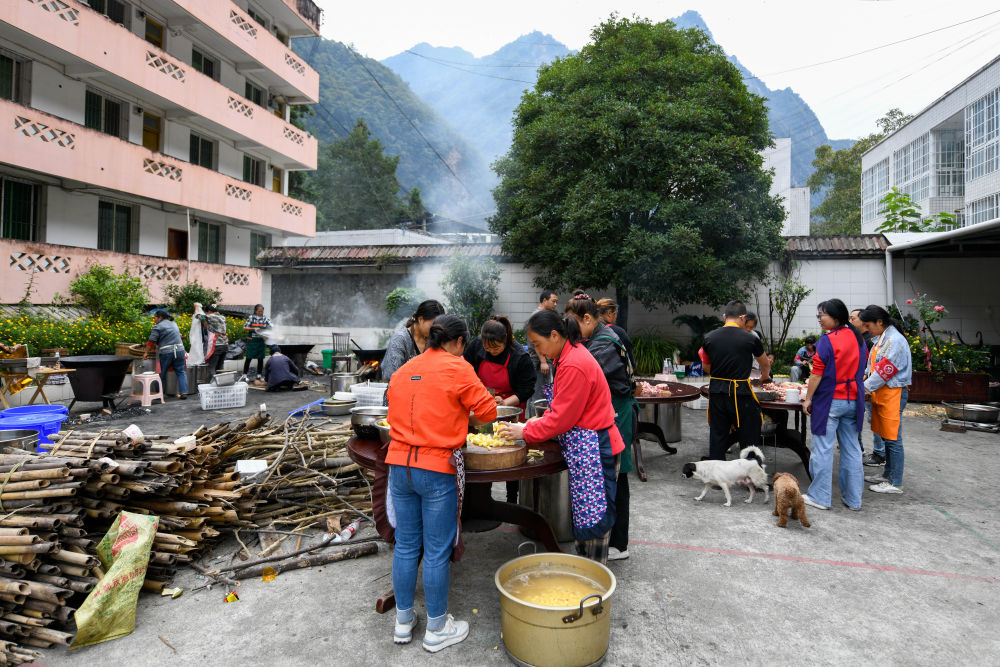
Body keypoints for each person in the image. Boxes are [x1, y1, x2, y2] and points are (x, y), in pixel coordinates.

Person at [385, 315, 497, 652]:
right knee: (435, 550)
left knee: (406, 545)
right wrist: (461, 412)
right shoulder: (459, 367)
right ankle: (436, 629)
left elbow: (392, 412)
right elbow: (489, 413)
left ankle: (403, 622)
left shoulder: (406, 369)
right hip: (436, 468)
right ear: (459, 342)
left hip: (399, 466)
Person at [498, 310, 625, 564]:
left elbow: (562, 419)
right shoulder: (566, 357)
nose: (537, 350)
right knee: (586, 517)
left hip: (596, 448)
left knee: (594, 522)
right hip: (586, 448)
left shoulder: (574, 363)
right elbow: (561, 407)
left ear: (555, 335)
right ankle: (585, 569)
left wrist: (525, 431)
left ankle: (593, 576)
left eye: (538, 344)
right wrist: (535, 422)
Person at [566, 293, 637, 562]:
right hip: (612, 409)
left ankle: (619, 543)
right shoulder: (596, 336)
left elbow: (585, 379)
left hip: (618, 412)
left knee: (619, 476)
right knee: (611, 476)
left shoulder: (603, 344)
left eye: (573, 323)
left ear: (587, 318)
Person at [799, 299, 867, 511]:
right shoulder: (859, 339)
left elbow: (816, 373)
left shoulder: (827, 340)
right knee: (852, 449)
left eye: (822, 315)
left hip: (830, 400)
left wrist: (808, 398)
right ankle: (854, 500)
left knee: (823, 449)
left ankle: (820, 497)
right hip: (854, 400)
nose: (819, 319)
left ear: (836, 317)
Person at [463, 315, 536, 503]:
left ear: (506, 340)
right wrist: (481, 393)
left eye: (496, 347)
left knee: (511, 454)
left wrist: (504, 402)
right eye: (487, 347)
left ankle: (512, 497)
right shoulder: (477, 346)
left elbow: (527, 388)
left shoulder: (519, 356)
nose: (491, 351)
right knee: (480, 450)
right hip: (482, 404)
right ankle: (482, 499)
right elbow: (466, 370)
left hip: (511, 408)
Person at [698, 300, 771, 460]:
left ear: (724, 317)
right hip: (740, 393)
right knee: (749, 431)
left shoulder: (709, 338)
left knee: (718, 434)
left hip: (716, 391)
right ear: (743, 317)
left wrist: (721, 374)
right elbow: (765, 363)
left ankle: (717, 471)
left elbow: (706, 366)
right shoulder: (750, 338)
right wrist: (764, 377)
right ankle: (750, 471)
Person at [857, 305, 913, 495]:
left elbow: (885, 370)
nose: (866, 329)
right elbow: (872, 365)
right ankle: (887, 475)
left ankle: (895, 482)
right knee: (885, 435)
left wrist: (863, 388)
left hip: (893, 392)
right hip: (882, 392)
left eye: (868, 325)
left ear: (879, 322)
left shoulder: (895, 340)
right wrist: (865, 379)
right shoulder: (882, 338)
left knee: (893, 437)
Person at [381, 300, 445, 383]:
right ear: (421, 319)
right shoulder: (400, 339)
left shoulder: (434, 339)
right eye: (432, 325)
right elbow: (391, 375)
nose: (435, 330)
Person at [850, 308, 884, 467]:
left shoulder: (871, 340)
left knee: (873, 418)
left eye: (853, 318)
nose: (850, 322)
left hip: (870, 386)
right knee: (858, 416)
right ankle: (858, 447)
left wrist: (865, 382)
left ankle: (880, 453)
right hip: (860, 384)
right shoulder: (856, 337)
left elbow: (873, 366)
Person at [142, 309, 187, 400]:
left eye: (154, 318)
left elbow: (151, 341)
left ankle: (159, 394)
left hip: (167, 352)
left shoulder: (157, 326)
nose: (154, 320)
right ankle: (184, 392)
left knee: (160, 373)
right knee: (181, 372)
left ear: (160, 318)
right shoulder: (174, 324)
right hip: (180, 350)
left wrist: (146, 353)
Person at [525, 290, 559, 404]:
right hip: (539, 360)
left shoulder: (543, 315)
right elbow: (536, 341)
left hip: (544, 359)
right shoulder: (537, 316)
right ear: (544, 300)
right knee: (539, 394)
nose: (555, 304)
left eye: (556, 302)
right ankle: (537, 414)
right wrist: (543, 361)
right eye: (553, 301)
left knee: (543, 392)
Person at [596, 297, 636, 371]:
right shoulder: (618, 332)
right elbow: (630, 360)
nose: (616, 318)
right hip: (614, 375)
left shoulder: (590, 330)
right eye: (615, 314)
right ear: (609, 313)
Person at [194, 303, 228, 381]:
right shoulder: (222, 317)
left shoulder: (210, 316)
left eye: (206, 312)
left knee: (212, 366)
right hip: (225, 344)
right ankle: (221, 383)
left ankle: (213, 383)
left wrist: (196, 307)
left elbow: (197, 316)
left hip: (217, 345)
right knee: (220, 366)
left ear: (209, 311)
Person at [242, 304, 272, 378]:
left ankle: (259, 375)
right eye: (259, 311)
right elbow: (245, 328)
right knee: (248, 358)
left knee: (260, 358)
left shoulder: (265, 319)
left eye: (262, 311)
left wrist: (266, 336)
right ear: (255, 311)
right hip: (252, 341)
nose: (260, 313)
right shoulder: (251, 317)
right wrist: (253, 328)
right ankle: (245, 374)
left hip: (261, 342)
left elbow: (271, 327)